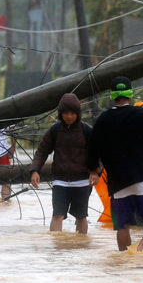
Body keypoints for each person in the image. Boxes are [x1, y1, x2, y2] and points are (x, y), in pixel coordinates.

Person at [86, 76, 143, 252]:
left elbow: (92, 148)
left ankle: (125, 259)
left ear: (112, 96)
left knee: (122, 226)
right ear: (130, 94)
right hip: (142, 178)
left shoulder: (103, 119)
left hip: (117, 183)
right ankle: (141, 247)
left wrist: (93, 171)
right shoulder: (141, 114)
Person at [30, 93, 96, 234]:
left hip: (82, 182)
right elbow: (41, 152)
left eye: (73, 113)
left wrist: (96, 172)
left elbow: (98, 154)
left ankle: (81, 244)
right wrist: (35, 170)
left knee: (81, 217)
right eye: (66, 113)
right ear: (61, 114)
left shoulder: (87, 131)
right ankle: (56, 244)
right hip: (60, 181)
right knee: (57, 215)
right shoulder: (54, 131)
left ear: (78, 113)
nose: (69, 116)